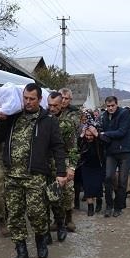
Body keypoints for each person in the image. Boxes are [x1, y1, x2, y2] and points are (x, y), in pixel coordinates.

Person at [0, 83, 67, 258]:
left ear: (40, 100)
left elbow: (58, 147)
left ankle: (41, 241)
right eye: (25, 98)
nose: (27, 102)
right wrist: (1, 120)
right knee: (15, 216)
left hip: (35, 176)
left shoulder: (48, 120)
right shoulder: (13, 117)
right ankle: (22, 253)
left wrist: (61, 173)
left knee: (37, 213)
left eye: (31, 99)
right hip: (12, 176)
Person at [47, 91, 77, 241]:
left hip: (63, 160)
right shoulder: (43, 119)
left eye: (55, 106)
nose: (52, 108)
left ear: (61, 105)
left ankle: (68, 219)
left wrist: (71, 167)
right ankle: (56, 221)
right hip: (46, 162)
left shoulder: (67, 123)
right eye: (50, 105)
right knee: (51, 195)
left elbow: (73, 148)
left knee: (66, 192)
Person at [99, 96, 130, 217]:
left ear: (116, 104)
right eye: (108, 106)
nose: (110, 108)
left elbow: (122, 132)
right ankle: (109, 205)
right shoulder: (104, 116)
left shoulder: (124, 114)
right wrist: (102, 133)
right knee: (108, 177)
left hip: (124, 151)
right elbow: (103, 132)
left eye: (112, 105)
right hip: (111, 152)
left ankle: (118, 206)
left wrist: (105, 134)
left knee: (122, 181)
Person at [58, 87, 81, 231]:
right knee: (54, 190)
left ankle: (69, 218)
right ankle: (57, 219)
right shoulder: (52, 110)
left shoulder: (74, 113)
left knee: (68, 189)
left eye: (67, 98)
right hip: (54, 155)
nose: (64, 101)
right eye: (62, 97)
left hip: (68, 153)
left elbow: (72, 126)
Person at [78, 126, 105, 216]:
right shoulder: (82, 141)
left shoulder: (99, 141)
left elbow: (106, 142)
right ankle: (90, 206)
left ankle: (99, 200)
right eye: (87, 135)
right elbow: (76, 145)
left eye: (90, 135)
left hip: (98, 166)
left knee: (97, 186)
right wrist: (82, 135)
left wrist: (97, 135)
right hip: (86, 166)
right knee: (87, 187)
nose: (88, 137)